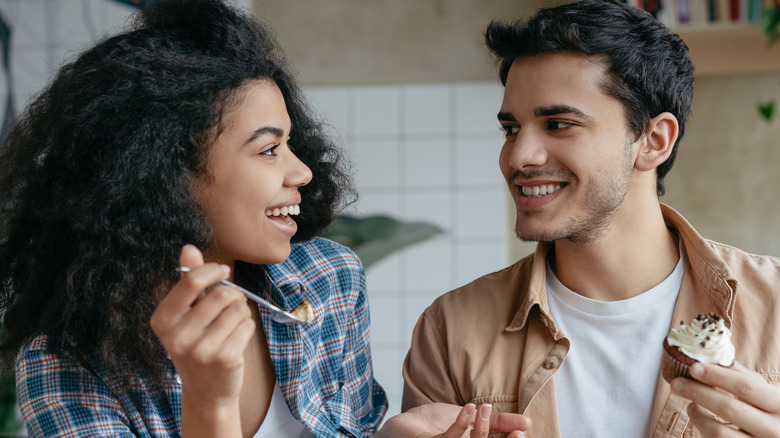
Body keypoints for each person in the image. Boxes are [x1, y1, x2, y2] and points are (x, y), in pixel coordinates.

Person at [0, 0, 390, 436]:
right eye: (267, 150)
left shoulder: (331, 280)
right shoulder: (67, 369)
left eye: (290, 143)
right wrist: (209, 398)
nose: (302, 171)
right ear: (166, 176)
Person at [401, 0, 780, 437]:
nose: (518, 156)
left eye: (559, 124)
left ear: (654, 141)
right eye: (510, 129)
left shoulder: (774, 305)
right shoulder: (450, 330)